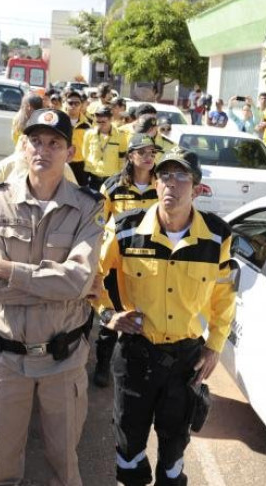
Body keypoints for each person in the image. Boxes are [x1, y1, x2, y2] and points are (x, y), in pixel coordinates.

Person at [0, 108, 104, 486]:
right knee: (0, 468)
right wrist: (53, 284)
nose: (43, 149)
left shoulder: (88, 206)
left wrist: (7, 268)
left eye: (54, 143)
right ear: (23, 146)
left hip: (62, 363)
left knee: (64, 465)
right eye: (35, 141)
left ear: (70, 152)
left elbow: (78, 280)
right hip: (5, 360)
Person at [96, 145, 235, 486]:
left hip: (185, 360)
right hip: (135, 356)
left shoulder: (217, 236)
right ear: (155, 184)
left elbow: (224, 293)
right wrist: (108, 314)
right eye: (164, 175)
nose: (171, 183)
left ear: (198, 187)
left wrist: (215, 344)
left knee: (174, 447)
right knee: (129, 445)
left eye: (181, 176)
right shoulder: (126, 229)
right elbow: (92, 275)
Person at [93, 133, 160, 388]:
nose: (148, 157)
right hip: (114, 263)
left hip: (149, 264)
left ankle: (139, 369)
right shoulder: (112, 187)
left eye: (152, 153)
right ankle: (102, 365)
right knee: (111, 314)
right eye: (142, 152)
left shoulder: (160, 186)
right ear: (130, 156)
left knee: (143, 315)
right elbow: (98, 224)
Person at [83, 105, 128, 190]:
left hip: (111, 179)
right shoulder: (89, 134)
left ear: (111, 119)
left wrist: (121, 176)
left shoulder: (120, 135)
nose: (100, 124)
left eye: (103, 122)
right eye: (98, 122)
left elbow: (122, 158)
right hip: (93, 178)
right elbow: (85, 154)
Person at [65, 90, 92, 186]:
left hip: (81, 165)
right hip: (63, 162)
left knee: (81, 192)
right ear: (66, 104)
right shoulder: (60, 122)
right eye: (70, 103)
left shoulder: (87, 125)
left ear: (81, 105)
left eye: (77, 103)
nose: (73, 105)